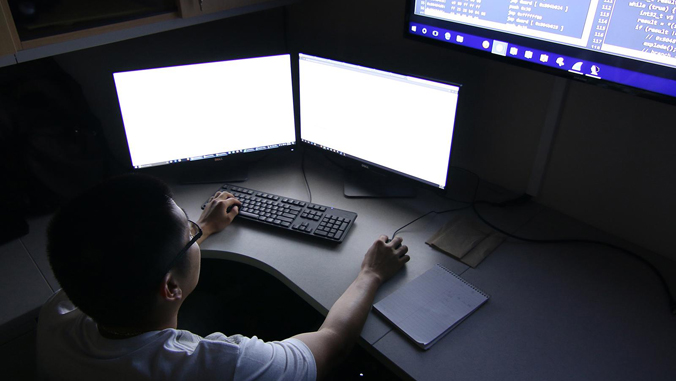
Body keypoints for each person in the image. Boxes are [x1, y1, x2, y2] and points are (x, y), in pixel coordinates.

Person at [37, 173, 410, 380]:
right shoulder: (224, 365)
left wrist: (200, 228)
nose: (194, 232)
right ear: (170, 287)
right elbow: (332, 346)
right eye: (188, 233)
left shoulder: (59, 313)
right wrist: (371, 273)